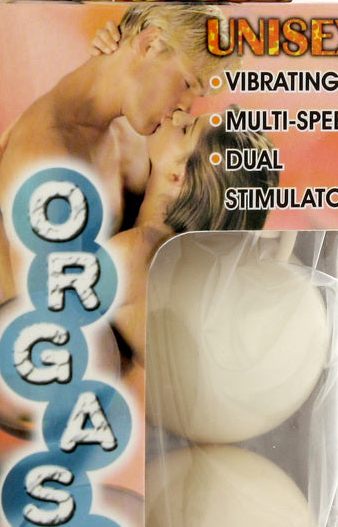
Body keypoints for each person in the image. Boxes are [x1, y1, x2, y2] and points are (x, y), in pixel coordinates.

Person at [0, 3, 228, 300]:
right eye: (187, 83)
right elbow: (46, 317)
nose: (185, 109)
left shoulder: (136, 126)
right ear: (151, 43)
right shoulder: (50, 158)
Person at [107, 106, 278, 370]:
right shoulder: (169, 268)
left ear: (180, 176)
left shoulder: (133, 255)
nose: (177, 116)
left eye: (187, 128)